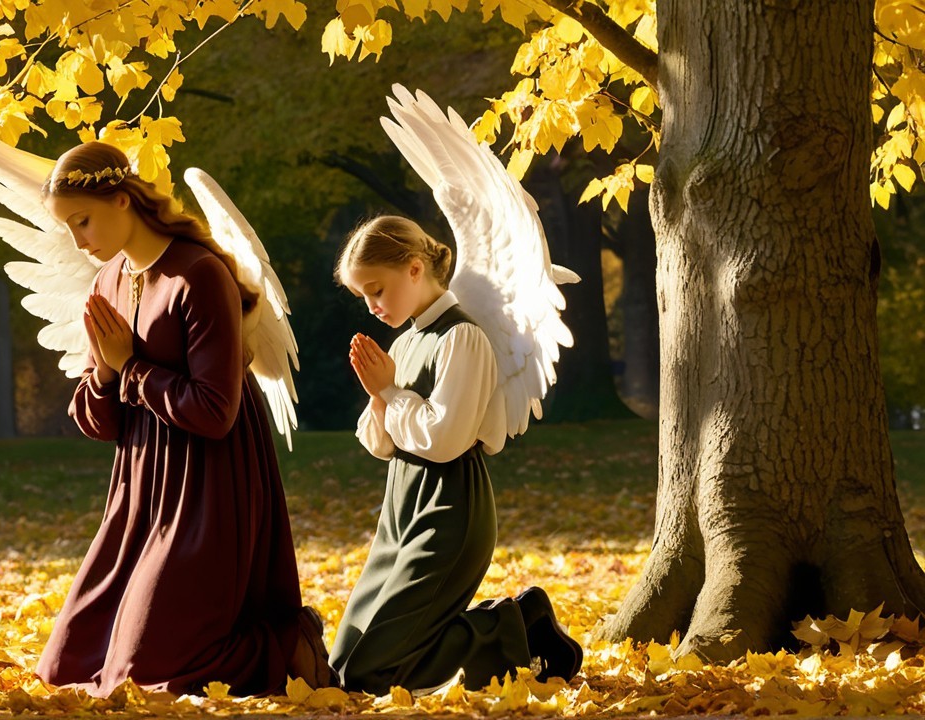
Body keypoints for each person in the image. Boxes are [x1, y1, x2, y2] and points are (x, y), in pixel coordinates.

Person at [33, 140, 333, 697]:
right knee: (65, 668)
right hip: (141, 492)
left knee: (147, 676)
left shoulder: (199, 275)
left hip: (208, 489)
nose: (79, 241)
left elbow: (216, 412)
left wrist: (129, 369)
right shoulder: (109, 282)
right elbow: (101, 422)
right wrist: (103, 376)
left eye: (83, 222)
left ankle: (288, 644)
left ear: (122, 200)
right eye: (69, 228)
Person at [329, 215, 583, 694]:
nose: (372, 306)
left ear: (413, 268)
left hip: (449, 511)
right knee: (343, 665)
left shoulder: (462, 337)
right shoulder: (404, 341)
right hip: (401, 509)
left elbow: (445, 439)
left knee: (372, 674)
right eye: (363, 295)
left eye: (377, 290)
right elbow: (379, 443)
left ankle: (514, 626)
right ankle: (516, 620)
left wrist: (390, 390)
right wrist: (382, 394)